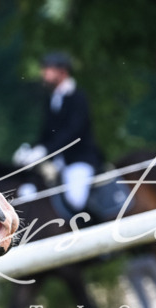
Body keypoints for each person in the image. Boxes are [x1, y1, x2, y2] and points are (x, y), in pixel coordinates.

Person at [13, 51, 103, 216]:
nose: (43, 73)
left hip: (79, 160)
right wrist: (31, 150)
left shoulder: (78, 97)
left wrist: (44, 151)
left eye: (48, 69)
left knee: (76, 199)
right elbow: (47, 134)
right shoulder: (51, 99)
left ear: (63, 72)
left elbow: (73, 133)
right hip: (58, 163)